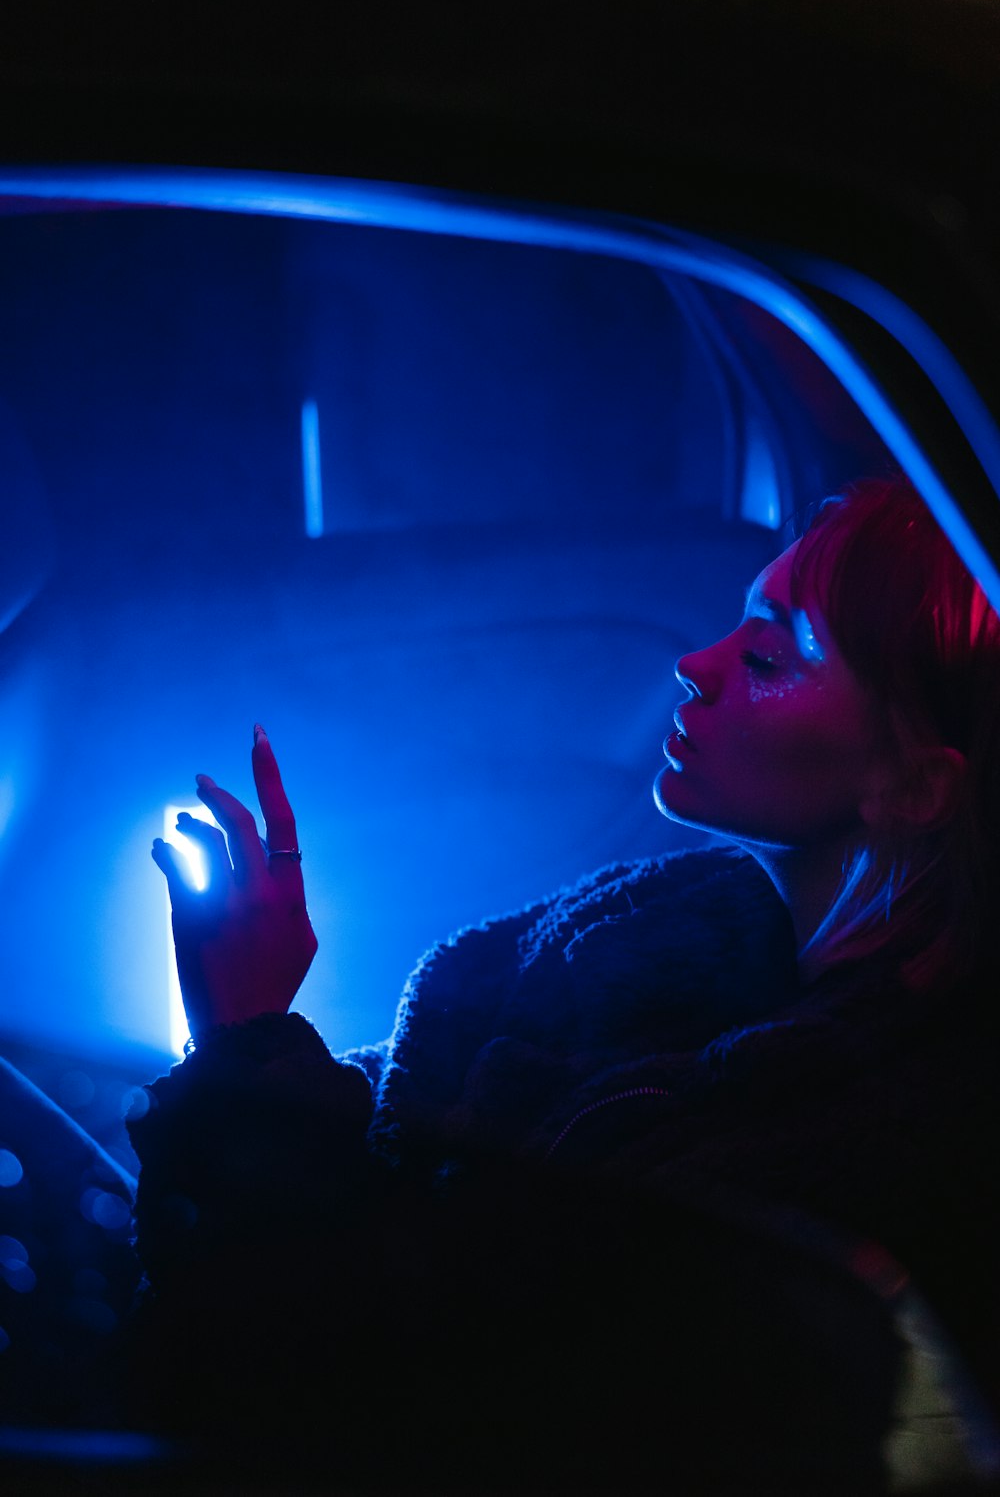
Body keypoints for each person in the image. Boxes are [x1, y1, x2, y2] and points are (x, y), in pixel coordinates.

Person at [124, 472, 1000, 1493]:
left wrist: (242, 1040)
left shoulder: (870, 1152)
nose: (693, 664)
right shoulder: (623, 947)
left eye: (765, 656)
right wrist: (251, 1041)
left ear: (916, 783)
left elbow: (372, 1398)